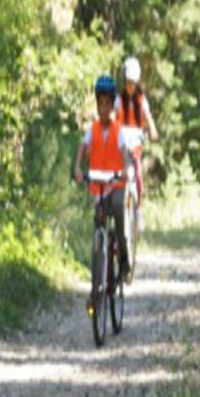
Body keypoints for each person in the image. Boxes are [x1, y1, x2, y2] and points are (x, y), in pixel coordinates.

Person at [73, 73, 132, 277]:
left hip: (116, 183)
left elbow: (124, 152)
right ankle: (98, 269)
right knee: (99, 218)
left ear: (112, 106)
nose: (104, 109)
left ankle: (123, 259)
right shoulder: (93, 129)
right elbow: (83, 147)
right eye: (100, 104)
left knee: (118, 210)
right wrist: (77, 167)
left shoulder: (118, 130)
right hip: (99, 183)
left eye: (107, 104)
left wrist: (126, 169)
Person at [114, 56, 159, 226]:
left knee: (138, 167)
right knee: (118, 168)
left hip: (136, 136)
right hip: (122, 137)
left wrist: (152, 129)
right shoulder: (119, 99)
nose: (131, 86)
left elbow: (148, 116)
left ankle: (138, 207)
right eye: (128, 82)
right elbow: (113, 117)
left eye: (133, 83)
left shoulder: (141, 99)